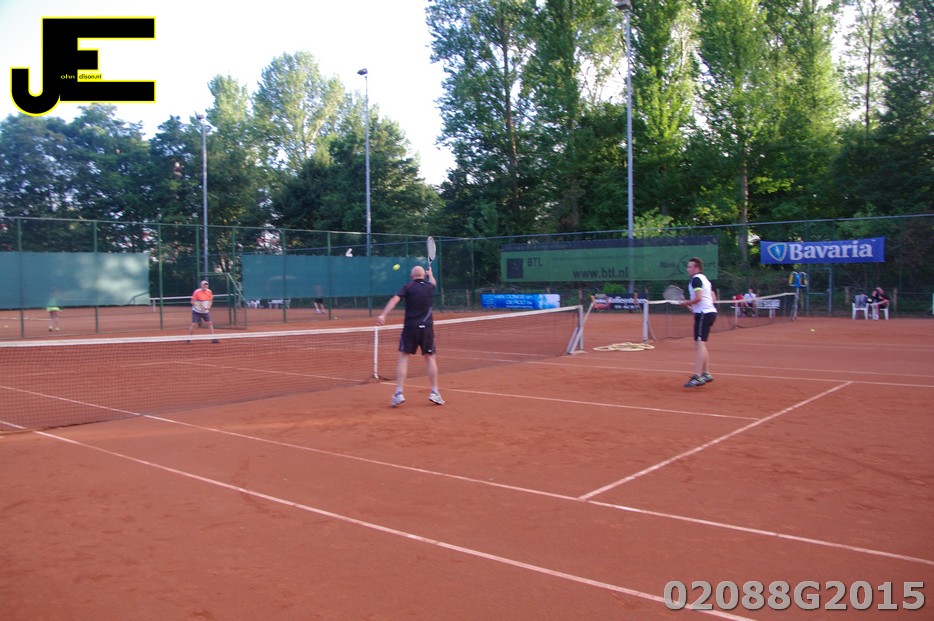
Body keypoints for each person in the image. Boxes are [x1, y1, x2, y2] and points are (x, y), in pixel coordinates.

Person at [376, 265, 444, 407]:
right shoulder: (429, 287)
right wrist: (431, 274)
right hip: (427, 329)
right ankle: (435, 392)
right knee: (430, 359)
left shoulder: (407, 287)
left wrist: (383, 315)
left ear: (412, 276)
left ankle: (399, 393)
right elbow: (434, 283)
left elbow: (394, 300)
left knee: (403, 359)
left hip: (410, 328)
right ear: (423, 276)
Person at [680, 257, 717, 387]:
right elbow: (712, 298)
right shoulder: (705, 279)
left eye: (690, 267)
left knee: (699, 345)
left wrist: (687, 303)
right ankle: (706, 373)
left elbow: (699, 297)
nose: (687, 269)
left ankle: (697, 376)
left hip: (704, 314)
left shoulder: (696, 279)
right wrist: (694, 307)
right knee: (701, 344)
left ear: (696, 268)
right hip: (708, 312)